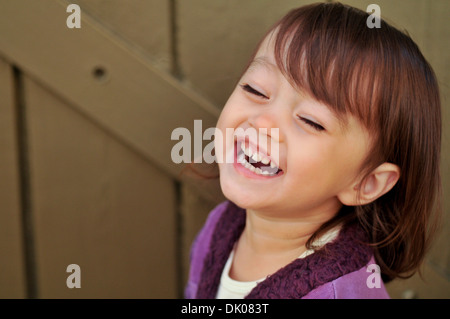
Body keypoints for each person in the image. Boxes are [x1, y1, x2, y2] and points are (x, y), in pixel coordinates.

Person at [184, 2, 442, 299]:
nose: (264, 121)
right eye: (255, 89)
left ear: (366, 182)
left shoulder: (339, 292)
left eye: (310, 121)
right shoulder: (220, 226)